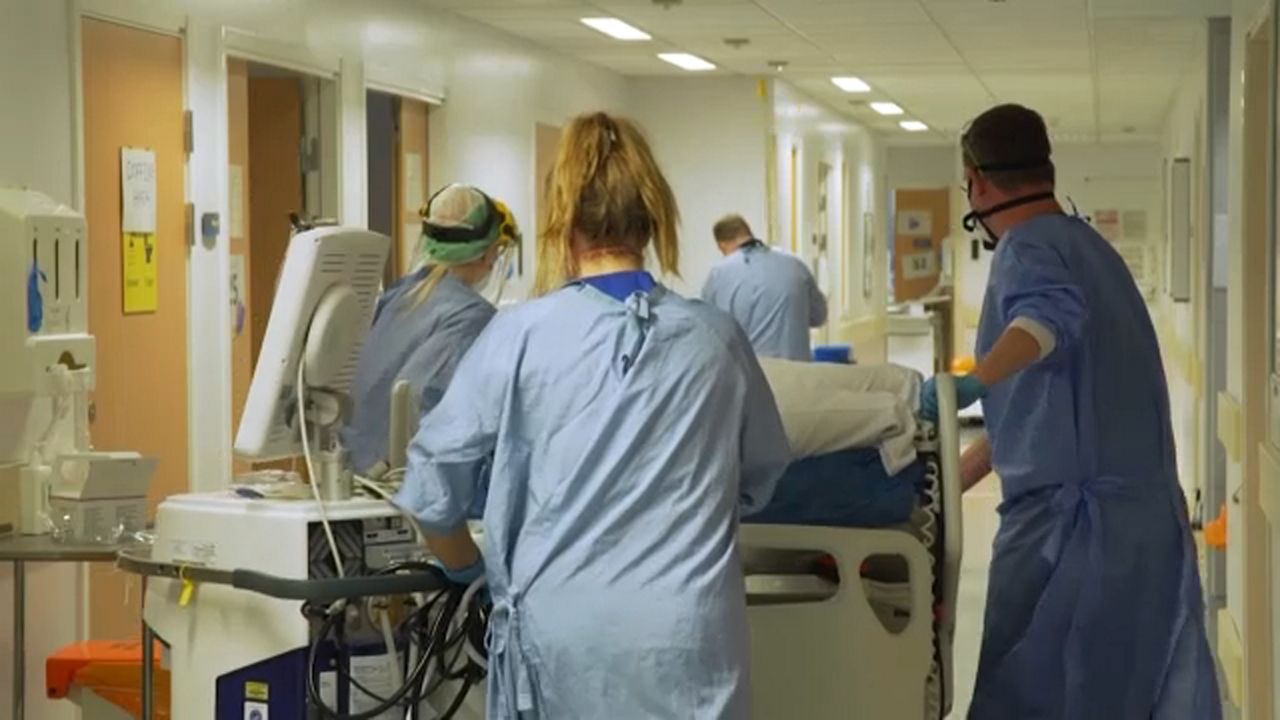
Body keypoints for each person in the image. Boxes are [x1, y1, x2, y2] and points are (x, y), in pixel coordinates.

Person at [394, 112, 791, 718]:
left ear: (563, 222)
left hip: (562, 637)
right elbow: (760, 474)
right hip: (686, 635)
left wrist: (466, 569)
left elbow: (430, 490)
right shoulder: (716, 339)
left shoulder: (519, 336)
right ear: (653, 219)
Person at [919, 104, 1220, 719]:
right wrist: (939, 483)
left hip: (1075, 541)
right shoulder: (1090, 248)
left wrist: (968, 382)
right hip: (1141, 531)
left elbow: (1046, 322)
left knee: (1041, 697)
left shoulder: (1028, 249)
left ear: (975, 181)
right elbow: (1030, 425)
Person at [342, 184, 520, 476]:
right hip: (399, 488)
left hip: (355, 475)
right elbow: (420, 403)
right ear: (486, 254)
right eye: (496, 252)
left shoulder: (399, 296)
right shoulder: (471, 316)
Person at [700, 214, 827, 361]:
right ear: (748, 234)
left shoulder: (719, 274)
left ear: (722, 245)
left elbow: (709, 331)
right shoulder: (795, 266)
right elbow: (819, 316)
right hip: (797, 374)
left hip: (749, 376)